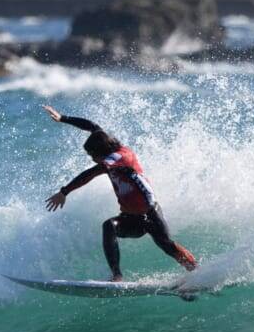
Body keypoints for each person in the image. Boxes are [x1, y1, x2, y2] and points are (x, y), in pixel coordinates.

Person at [42, 105, 197, 281]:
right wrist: (63, 118)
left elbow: (90, 174)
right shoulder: (105, 144)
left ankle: (197, 272)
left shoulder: (121, 157)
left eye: (93, 155)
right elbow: (93, 126)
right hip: (130, 218)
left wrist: (64, 191)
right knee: (109, 226)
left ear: (102, 153)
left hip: (150, 213)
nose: (91, 159)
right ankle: (117, 275)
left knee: (168, 246)